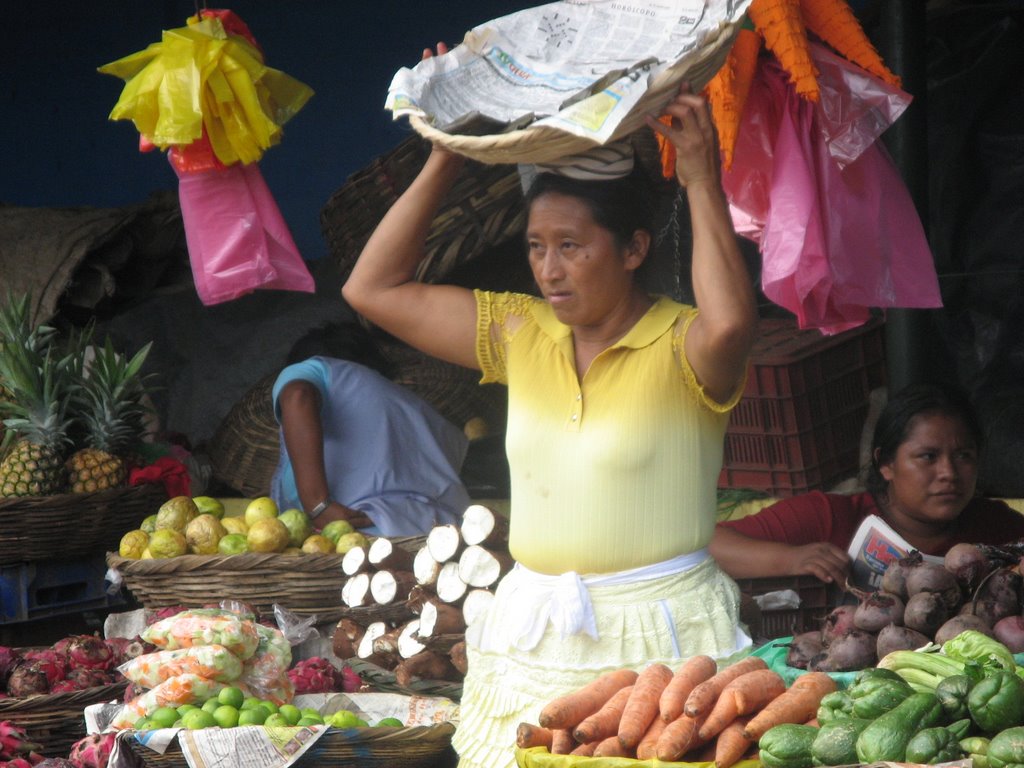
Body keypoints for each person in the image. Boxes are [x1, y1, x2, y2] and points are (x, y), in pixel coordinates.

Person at [341, 42, 758, 768]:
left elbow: (731, 323)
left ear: (632, 248)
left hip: (662, 643)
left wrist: (699, 179)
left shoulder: (684, 344)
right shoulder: (520, 331)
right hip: (533, 634)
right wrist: (447, 153)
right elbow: (371, 291)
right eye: (537, 247)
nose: (550, 269)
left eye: (571, 245)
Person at [709, 382, 1024, 586]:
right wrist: (791, 558)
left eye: (963, 456)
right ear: (886, 463)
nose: (949, 473)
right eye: (928, 456)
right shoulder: (831, 518)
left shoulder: (997, 526)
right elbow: (708, 547)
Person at [270, 322, 472, 537]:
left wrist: (318, 505)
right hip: (438, 534)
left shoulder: (315, 369)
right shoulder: (415, 410)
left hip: (358, 538)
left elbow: (297, 395)